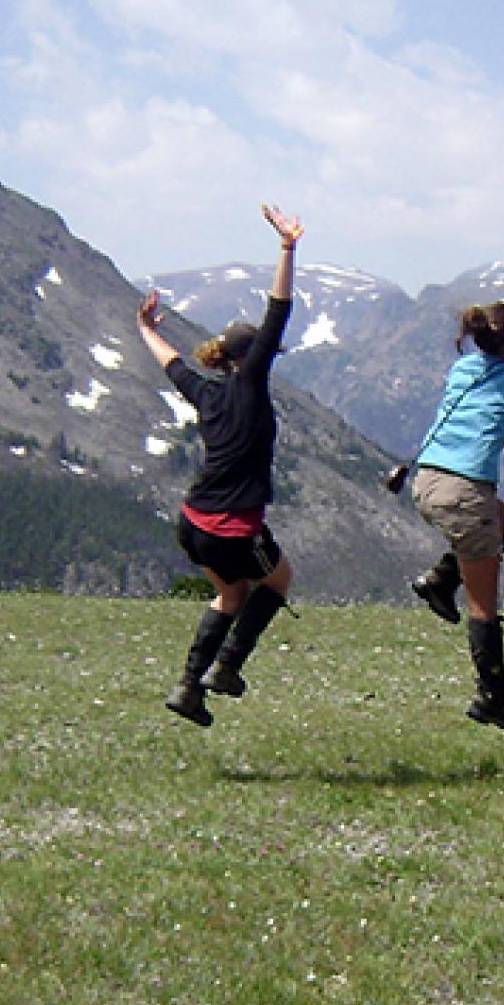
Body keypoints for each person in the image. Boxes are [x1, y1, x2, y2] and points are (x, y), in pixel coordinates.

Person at [136, 204, 303, 727]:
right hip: (234, 527)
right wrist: (287, 248)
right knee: (275, 584)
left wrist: (144, 328)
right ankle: (226, 668)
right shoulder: (251, 386)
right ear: (253, 358)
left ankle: (189, 687)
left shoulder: (206, 392)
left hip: (193, 523)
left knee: (230, 593)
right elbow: (278, 310)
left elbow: (172, 364)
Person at [410, 299, 504, 730]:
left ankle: (439, 582)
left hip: (426, 482)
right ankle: (491, 698)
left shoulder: (462, 370)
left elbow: (481, 417)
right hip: (466, 492)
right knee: (484, 604)